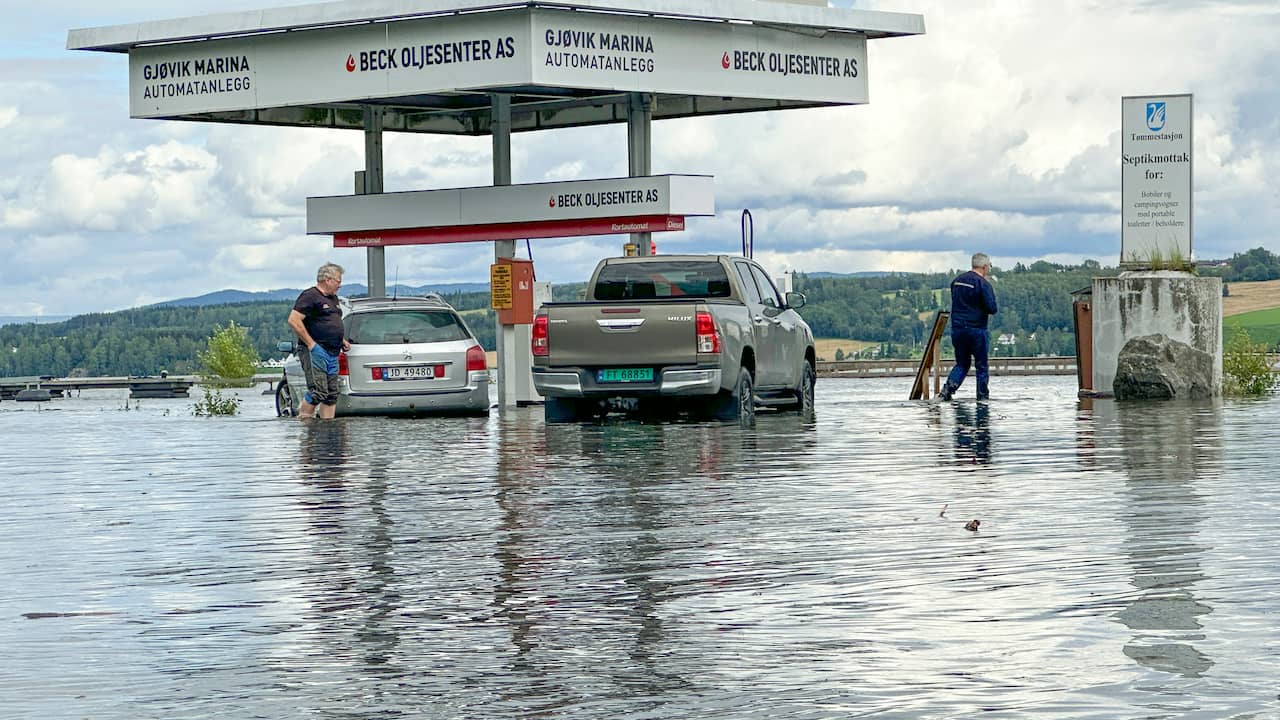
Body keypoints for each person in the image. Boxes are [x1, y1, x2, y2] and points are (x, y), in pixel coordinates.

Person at [288, 262, 350, 419]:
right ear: (327, 279)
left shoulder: (333, 298)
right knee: (318, 391)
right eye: (338, 281)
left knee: (332, 394)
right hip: (315, 350)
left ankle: (328, 429)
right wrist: (311, 344)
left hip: (333, 350)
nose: (340, 285)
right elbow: (294, 320)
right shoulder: (310, 296)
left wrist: (340, 339)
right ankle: (305, 424)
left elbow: (329, 322)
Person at [940, 253, 998, 401]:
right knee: (981, 366)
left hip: (958, 329)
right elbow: (992, 308)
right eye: (989, 266)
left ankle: (947, 391)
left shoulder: (957, 282)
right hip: (977, 330)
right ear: (984, 267)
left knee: (962, 363)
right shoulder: (983, 284)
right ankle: (982, 398)